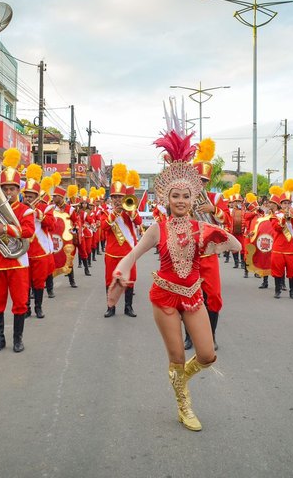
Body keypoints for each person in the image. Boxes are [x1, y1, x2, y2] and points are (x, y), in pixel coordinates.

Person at [108, 102, 240, 431]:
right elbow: (133, 254)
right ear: (166, 199)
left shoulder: (201, 228)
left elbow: (236, 245)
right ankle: (184, 403)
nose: (180, 201)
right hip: (164, 297)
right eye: (175, 196)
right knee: (177, 359)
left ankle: (182, 381)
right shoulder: (158, 228)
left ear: (192, 199)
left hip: (193, 295)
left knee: (208, 355)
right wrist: (120, 273)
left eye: (186, 196)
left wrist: (215, 229)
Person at [0, 148, 35, 353]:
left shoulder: (26, 210)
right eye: (4, 189)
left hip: (18, 261)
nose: (7, 193)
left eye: (11, 189)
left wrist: (5, 228)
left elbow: (28, 231)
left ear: (18, 190)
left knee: (20, 302)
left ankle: (17, 339)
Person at [186, 138, 231, 350]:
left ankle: (211, 336)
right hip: (188, 254)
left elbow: (228, 222)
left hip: (209, 253)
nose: (201, 184)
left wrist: (213, 210)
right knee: (189, 295)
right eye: (198, 180)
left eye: (204, 181)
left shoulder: (216, 197)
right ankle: (189, 337)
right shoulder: (184, 197)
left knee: (212, 296)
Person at [102, 165, 142, 317]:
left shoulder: (130, 210)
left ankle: (128, 307)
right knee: (109, 281)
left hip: (128, 252)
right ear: (111, 198)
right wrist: (114, 215)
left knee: (130, 280)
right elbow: (104, 226)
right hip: (111, 253)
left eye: (120, 197)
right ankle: (110, 307)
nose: (117, 200)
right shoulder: (106, 213)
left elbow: (138, 222)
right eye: (115, 197)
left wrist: (129, 211)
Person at [22, 165, 56, 319]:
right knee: (25, 283)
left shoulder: (45, 207)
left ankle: (38, 307)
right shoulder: (19, 208)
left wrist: (37, 213)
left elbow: (51, 224)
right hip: (24, 250)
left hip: (40, 250)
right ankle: (27, 308)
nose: (28, 199)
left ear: (37, 196)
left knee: (38, 282)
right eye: (26, 196)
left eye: (31, 196)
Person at [269, 181, 293, 300]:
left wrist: (291, 217)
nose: (286, 205)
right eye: (284, 203)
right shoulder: (275, 215)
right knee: (277, 270)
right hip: (278, 247)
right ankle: (277, 290)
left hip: (291, 248)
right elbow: (276, 227)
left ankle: (292, 291)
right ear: (280, 204)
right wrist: (284, 219)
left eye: (288, 203)